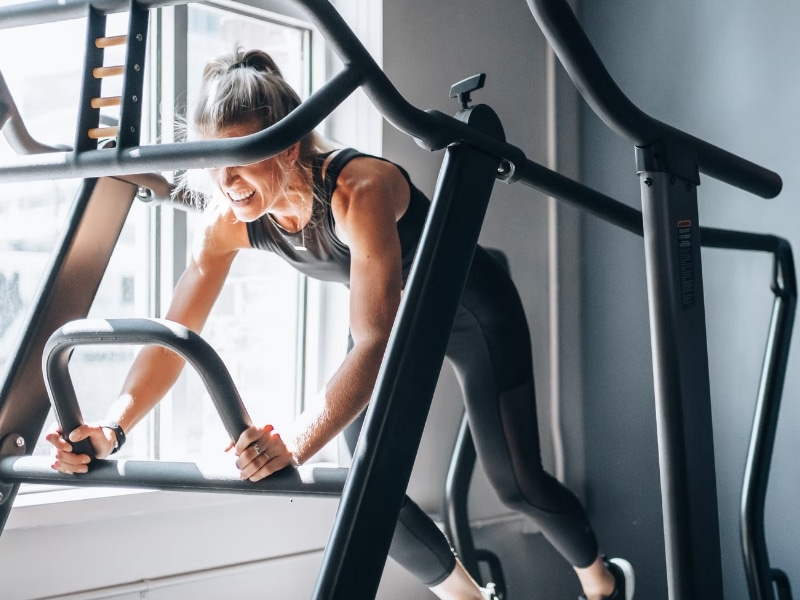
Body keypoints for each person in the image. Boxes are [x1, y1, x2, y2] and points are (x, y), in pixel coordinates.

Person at [46, 47, 634, 600]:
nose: (226, 182)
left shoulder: (358, 189)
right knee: (365, 481)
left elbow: (376, 341)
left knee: (517, 485)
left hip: (473, 311)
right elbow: (172, 338)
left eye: (241, 156)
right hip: (393, 316)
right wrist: (113, 428)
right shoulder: (230, 220)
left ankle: (603, 583)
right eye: (211, 159)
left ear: (287, 145)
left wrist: (294, 444)